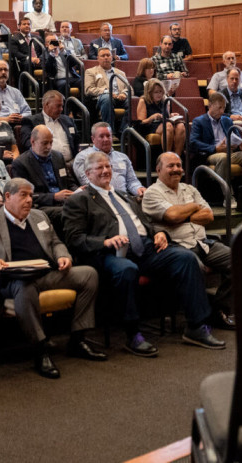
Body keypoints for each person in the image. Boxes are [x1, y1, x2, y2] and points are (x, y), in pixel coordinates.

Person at [63, 151, 225, 356]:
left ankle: (196, 326)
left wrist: (160, 233)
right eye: (99, 168)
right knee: (127, 269)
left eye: (108, 167)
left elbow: (146, 224)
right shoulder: (80, 200)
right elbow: (74, 238)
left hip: (145, 248)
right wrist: (104, 241)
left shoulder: (124, 196)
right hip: (111, 254)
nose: (105, 171)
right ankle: (133, 335)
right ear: (87, 173)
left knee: (185, 257)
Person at [0, 177, 104, 378]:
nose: (29, 200)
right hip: (13, 280)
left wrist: (63, 255)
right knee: (25, 286)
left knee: (89, 275)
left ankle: (78, 339)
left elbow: (56, 242)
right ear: (7, 196)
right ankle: (40, 349)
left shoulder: (39, 216)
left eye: (31, 195)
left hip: (47, 273)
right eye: (23, 195)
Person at [142, 152, 233, 327]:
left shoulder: (189, 189)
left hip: (202, 242)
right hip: (177, 246)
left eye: (179, 165)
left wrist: (182, 216)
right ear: (158, 169)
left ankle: (219, 309)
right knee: (194, 266)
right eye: (171, 166)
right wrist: (193, 207)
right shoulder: (152, 193)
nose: (176, 169)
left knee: (236, 259)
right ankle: (198, 317)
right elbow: (172, 215)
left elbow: (209, 215)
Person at [188, 92, 242, 194]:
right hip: (212, 153)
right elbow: (193, 143)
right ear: (210, 105)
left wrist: (240, 146)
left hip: (231, 152)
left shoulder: (227, 120)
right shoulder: (199, 121)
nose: (222, 111)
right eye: (219, 108)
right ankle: (228, 196)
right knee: (223, 157)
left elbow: (237, 138)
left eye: (224, 108)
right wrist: (215, 148)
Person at [11, 125, 78, 219]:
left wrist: (77, 191)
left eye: (51, 142)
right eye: (45, 143)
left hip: (65, 202)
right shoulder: (21, 164)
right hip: (42, 206)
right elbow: (25, 195)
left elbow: (70, 183)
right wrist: (54, 197)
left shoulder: (58, 157)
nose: (49, 147)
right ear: (32, 141)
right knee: (71, 212)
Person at [72, 122, 144, 198]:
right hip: (100, 199)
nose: (106, 139)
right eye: (101, 136)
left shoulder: (122, 157)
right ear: (93, 139)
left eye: (108, 136)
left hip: (125, 198)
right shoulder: (83, 157)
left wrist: (139, 189)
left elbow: (132, 181)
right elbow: (88, 184)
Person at [133, 78, 186, 157]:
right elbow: (141, 123)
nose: (159, 94)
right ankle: (167, 157)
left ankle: (177, 157)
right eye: (156, 92)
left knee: (181, 126)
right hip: (150, 126)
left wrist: (171, 115)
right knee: (168, 126)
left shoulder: (164, 100)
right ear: (150, 93)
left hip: (165, 123)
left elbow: (167, 115)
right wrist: (152, 117)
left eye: (161, 92)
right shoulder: (143, 100)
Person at [83, 48, 128, 132]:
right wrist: (108, 92)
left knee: (132, 101)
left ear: (112, 57)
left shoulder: (120, 73)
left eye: (108, 55)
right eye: (103, 56)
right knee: (107, 98)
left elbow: (129, 88)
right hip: (102, 98)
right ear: (98, 58)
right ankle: (109, 132)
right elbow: (88, 89)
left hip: (120, 97)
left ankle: (124, 131)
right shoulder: (91, 71)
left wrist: (124, 93)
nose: (106, 57)